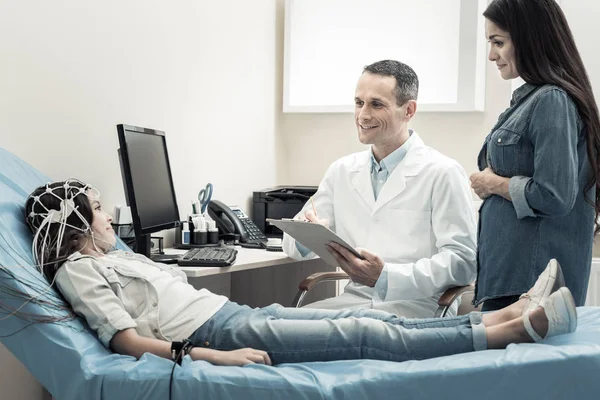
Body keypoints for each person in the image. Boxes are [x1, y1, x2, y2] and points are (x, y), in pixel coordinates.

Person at [23, 179, 577, 366]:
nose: (107, 215)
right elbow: (123, 339)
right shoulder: (78, 271)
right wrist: (214, 357)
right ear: (74, 222)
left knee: (374, 321)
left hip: (228, 314)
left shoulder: (109, 257)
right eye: (97, 208)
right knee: (363, 332)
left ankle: (505, 312)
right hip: (214, 333)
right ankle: (512, 329)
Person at [282, 59, 477, 318]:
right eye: (358, 102)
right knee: (268, 321)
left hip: (414, 309)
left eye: (376, 104)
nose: (363, 115)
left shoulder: (443, 172)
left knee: (285, 335)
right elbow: (292, 246)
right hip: (352, 304)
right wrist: (311, 233)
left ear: (408, 110)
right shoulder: (341, 171)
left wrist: (386, 277)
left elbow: (463, 263)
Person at [470, 0, 600, 311]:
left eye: (498, 42)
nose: (491, 55)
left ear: (530, 38)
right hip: (513, 280)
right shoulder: (527, 101)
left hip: (531, 286)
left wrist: (493, 184)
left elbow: (553, 195)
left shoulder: (551, 101)